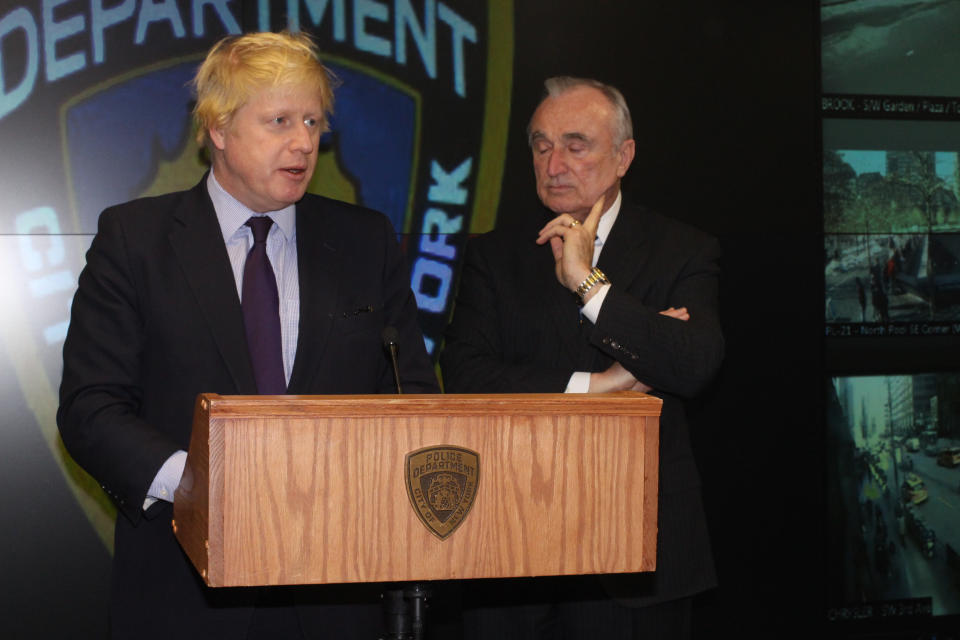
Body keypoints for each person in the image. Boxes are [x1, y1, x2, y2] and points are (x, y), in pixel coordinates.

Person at [57, 32, 438, 639]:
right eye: (279, 120)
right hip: (184, 591)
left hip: (335, 591)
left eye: (312, 121)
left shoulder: (364, 242)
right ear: (220, 129)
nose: (303, 142)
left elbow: (411, 394)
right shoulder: (136, 241)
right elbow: (90, 407)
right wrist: (197, 487)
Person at [440, 76, 724, 638]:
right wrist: (602, 385)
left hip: (637, 560)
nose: (554, 163)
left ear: (624, 156)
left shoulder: (682, 249)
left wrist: (589, 286)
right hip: (511, 556)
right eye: (542, 146)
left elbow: (693, 364)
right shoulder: (494, 255)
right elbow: (466, 375)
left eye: (576, 145)